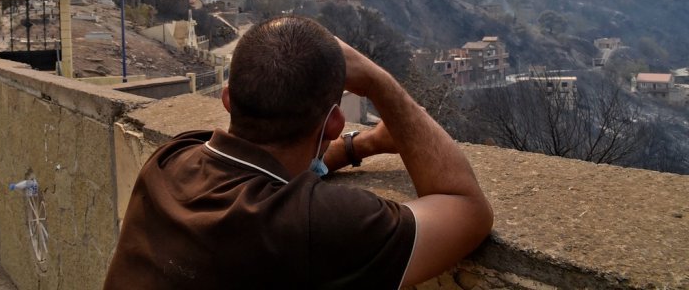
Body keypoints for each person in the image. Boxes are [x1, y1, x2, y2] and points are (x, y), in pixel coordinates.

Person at [104, 16, 493, 289]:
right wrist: (378, 82)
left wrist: (365, 144)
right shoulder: (315, 224)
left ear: (227, 99)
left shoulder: (173, 157)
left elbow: (271, 171)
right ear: (334, 124)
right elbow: (467, 209)